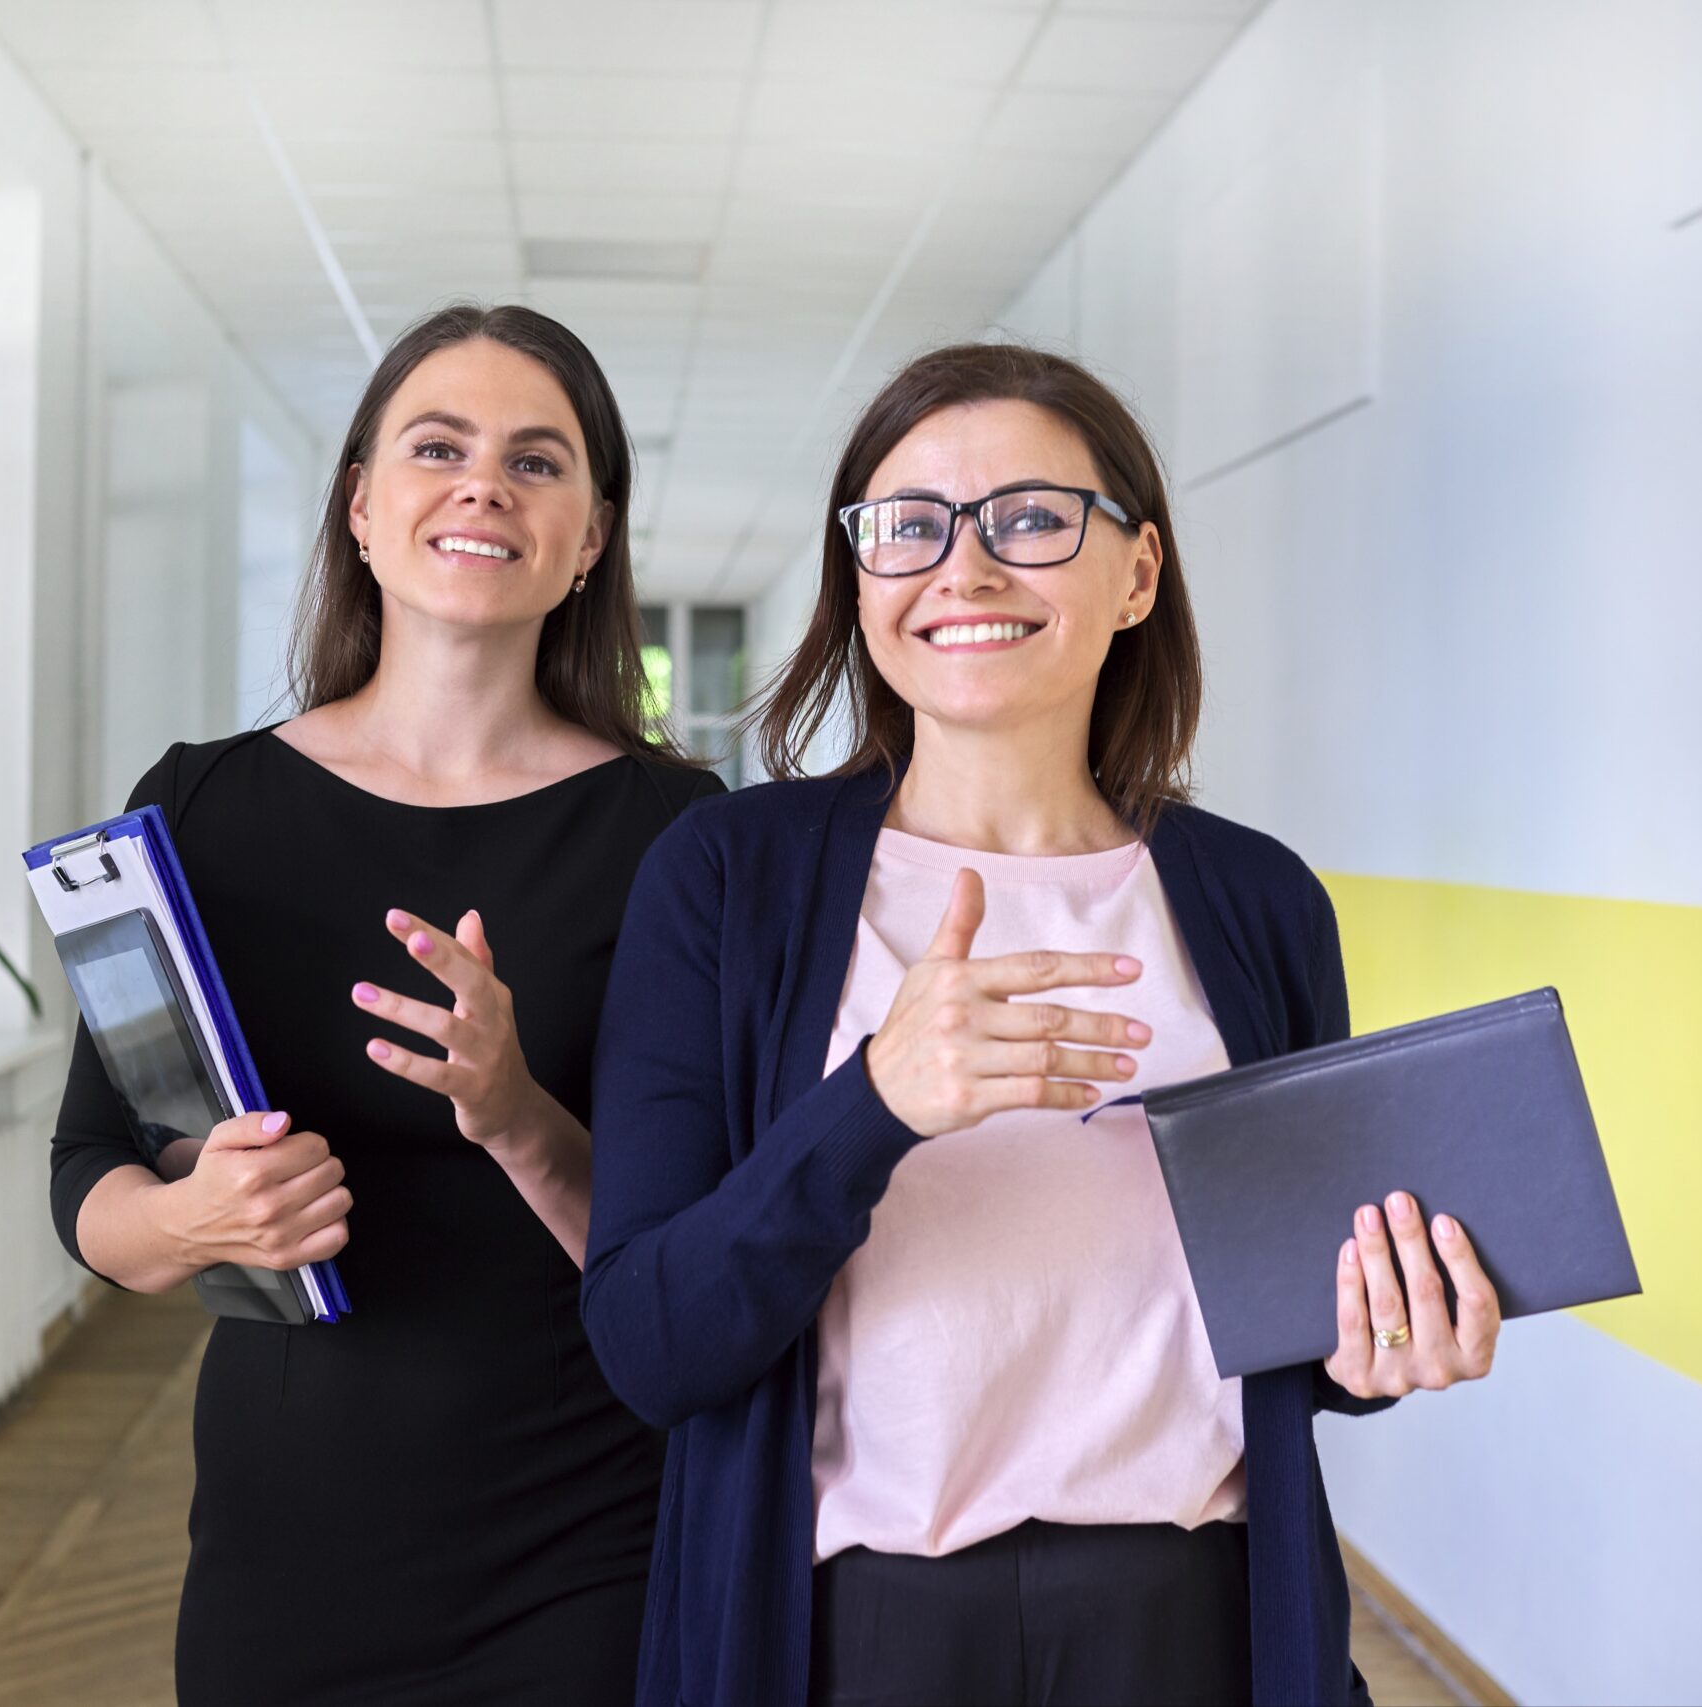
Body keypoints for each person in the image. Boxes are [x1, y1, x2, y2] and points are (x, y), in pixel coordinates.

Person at [582, 342, 1503, 1707]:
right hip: (848, 1640)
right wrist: (875, 1102)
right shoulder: (728, 877)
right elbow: (654, 1344)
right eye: (909, 527)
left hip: (1193, 1627)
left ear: (1137, 574)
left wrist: (1387, 1339)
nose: (963, 567)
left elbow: (1288, 1337)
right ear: (859, 581)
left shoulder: (1256, 901)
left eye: (1030, 517)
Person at [47, 303, 724, 1706]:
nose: (485, 483)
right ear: (363, 506)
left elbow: (701, 1261)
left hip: (590, 1532)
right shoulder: (199, 808)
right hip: (287, 1539)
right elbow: (88, 1181)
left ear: (590, 537)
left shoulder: (682, 833)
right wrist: (191, 1220)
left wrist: (516, 1109)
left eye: (540, 461)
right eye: (439, 447)